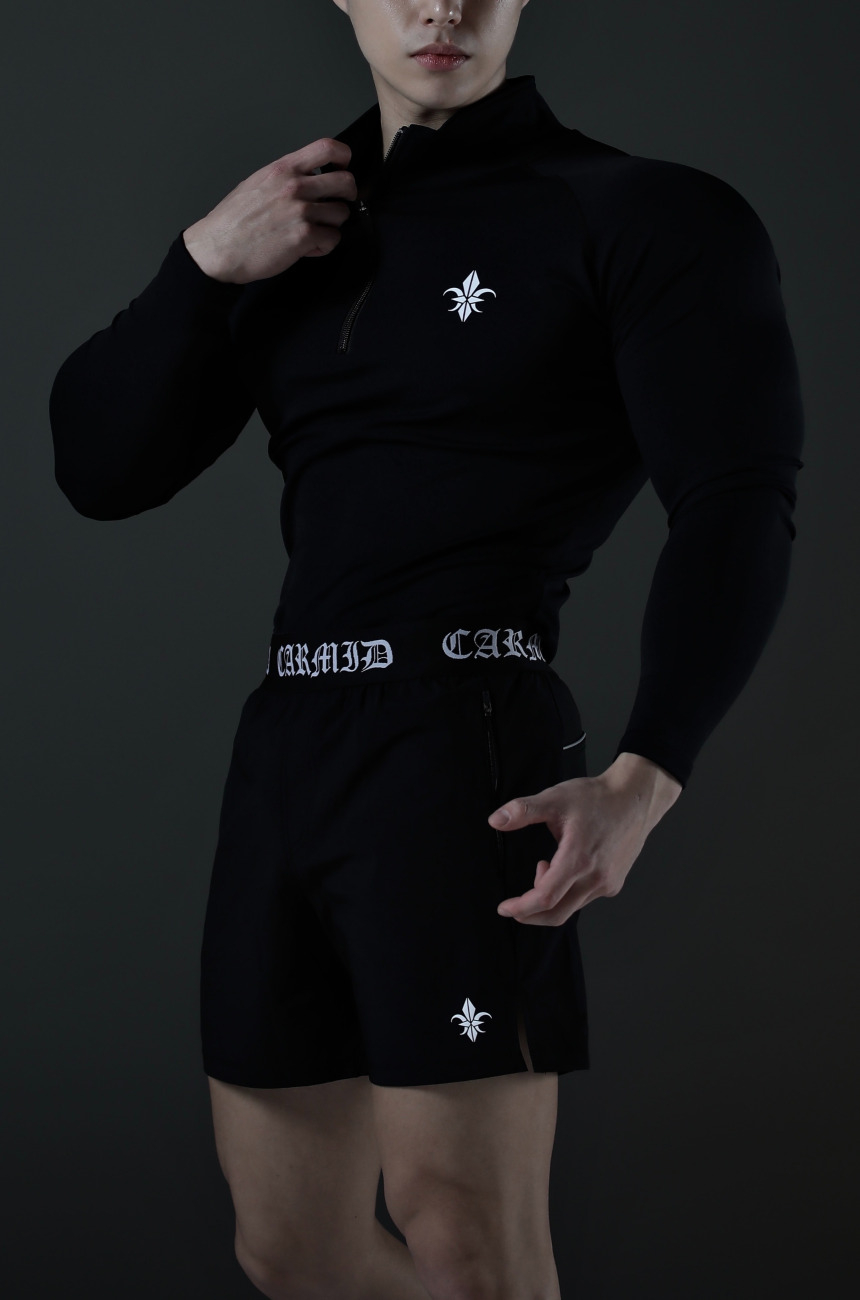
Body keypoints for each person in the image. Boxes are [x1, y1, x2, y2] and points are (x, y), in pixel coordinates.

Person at [48, 0, 806, 1296]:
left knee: (465, 1238)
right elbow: (99, 469)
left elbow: (739, 498)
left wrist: (649, 773)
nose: (442, 5)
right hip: (288, 747)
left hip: (464, 748)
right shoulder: (294, 224)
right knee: (290, 1248)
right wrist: (201, 266)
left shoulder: (640, 214)